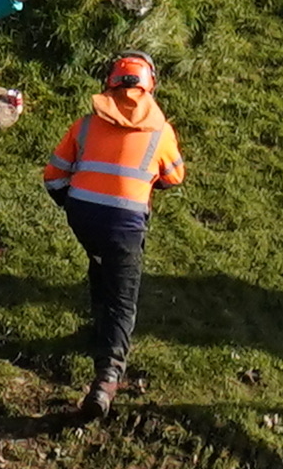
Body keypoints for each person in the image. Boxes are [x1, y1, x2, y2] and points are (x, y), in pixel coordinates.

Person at [37, 48, 183, 420]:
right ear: (152, 86)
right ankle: (107, 378)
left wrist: (73, 205)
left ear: (110, 83)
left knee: (99, 262)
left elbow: (53, 176)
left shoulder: (85, 124)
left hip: (83, 217)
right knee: (123, 297)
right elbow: (174, 176)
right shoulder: (161, 132)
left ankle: (96, 330)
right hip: (125, 225)